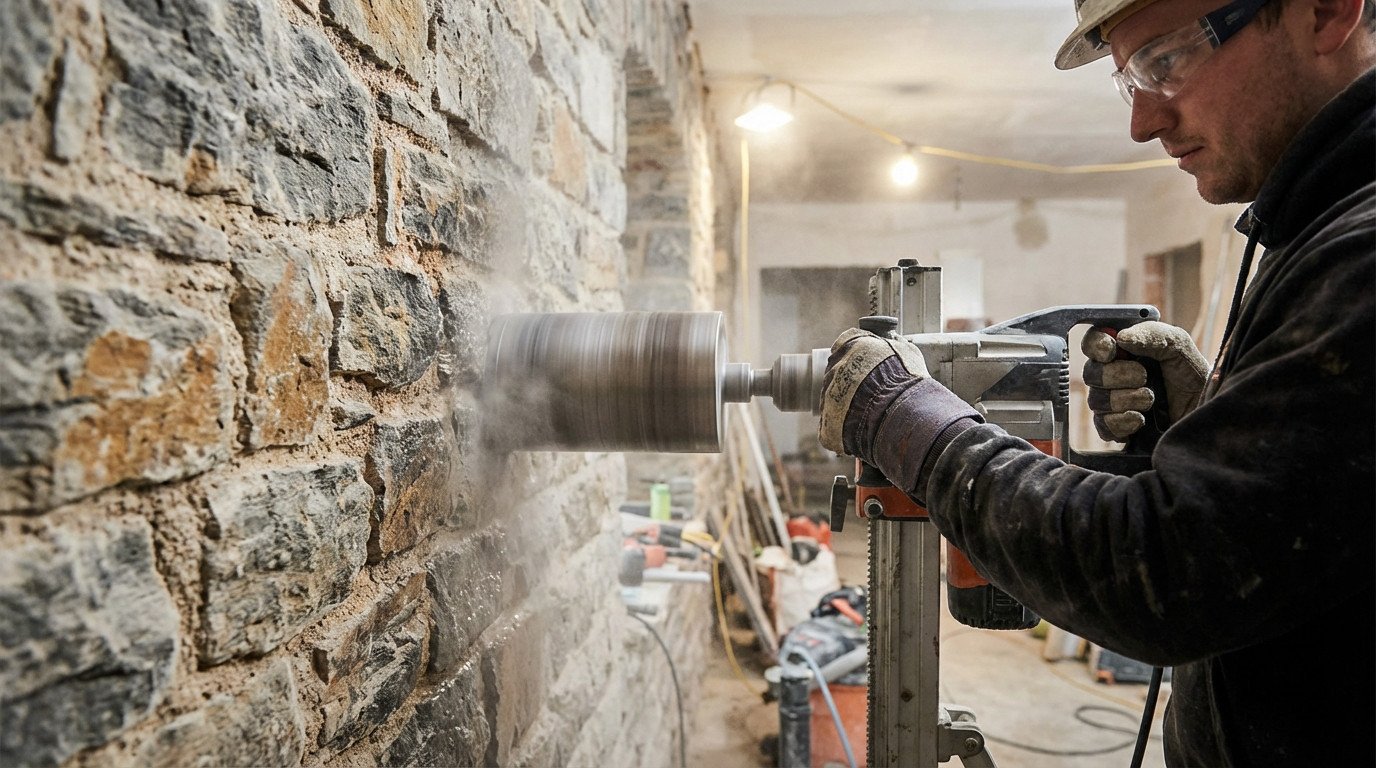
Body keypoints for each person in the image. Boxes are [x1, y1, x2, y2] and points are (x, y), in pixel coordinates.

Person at [818, 0, 1374, 764]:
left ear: (1324, 10)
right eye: (1129, 82)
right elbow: (1302, 525)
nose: (1143, 124)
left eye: (1166, 62)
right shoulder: (1321, 227)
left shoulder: (1363, 249)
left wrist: (905, 419)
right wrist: (1215, 418)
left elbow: (1167, 574)